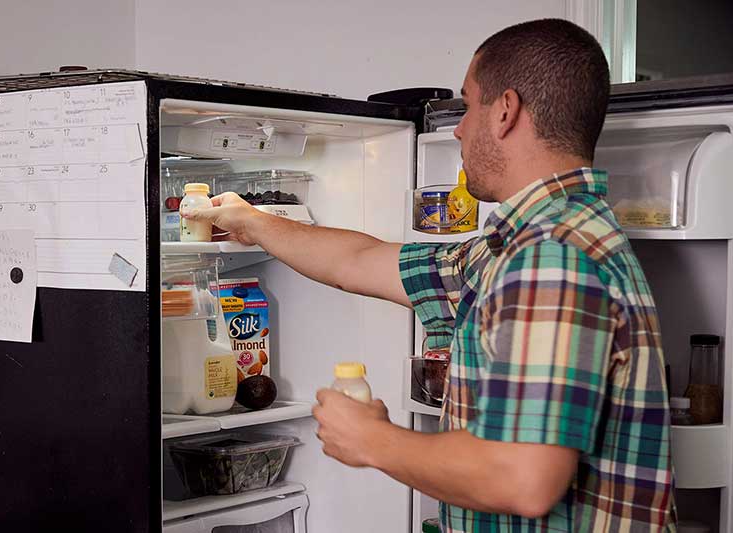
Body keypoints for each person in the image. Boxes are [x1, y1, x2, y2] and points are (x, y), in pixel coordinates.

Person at [181, 18, 676, 532]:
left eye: (468, 105)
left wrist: (372, 439)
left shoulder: (551, 255)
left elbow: (522, 479)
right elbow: (360, 262)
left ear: (505, 111)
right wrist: (251, 220)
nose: (458, 127)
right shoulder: (527, 245)